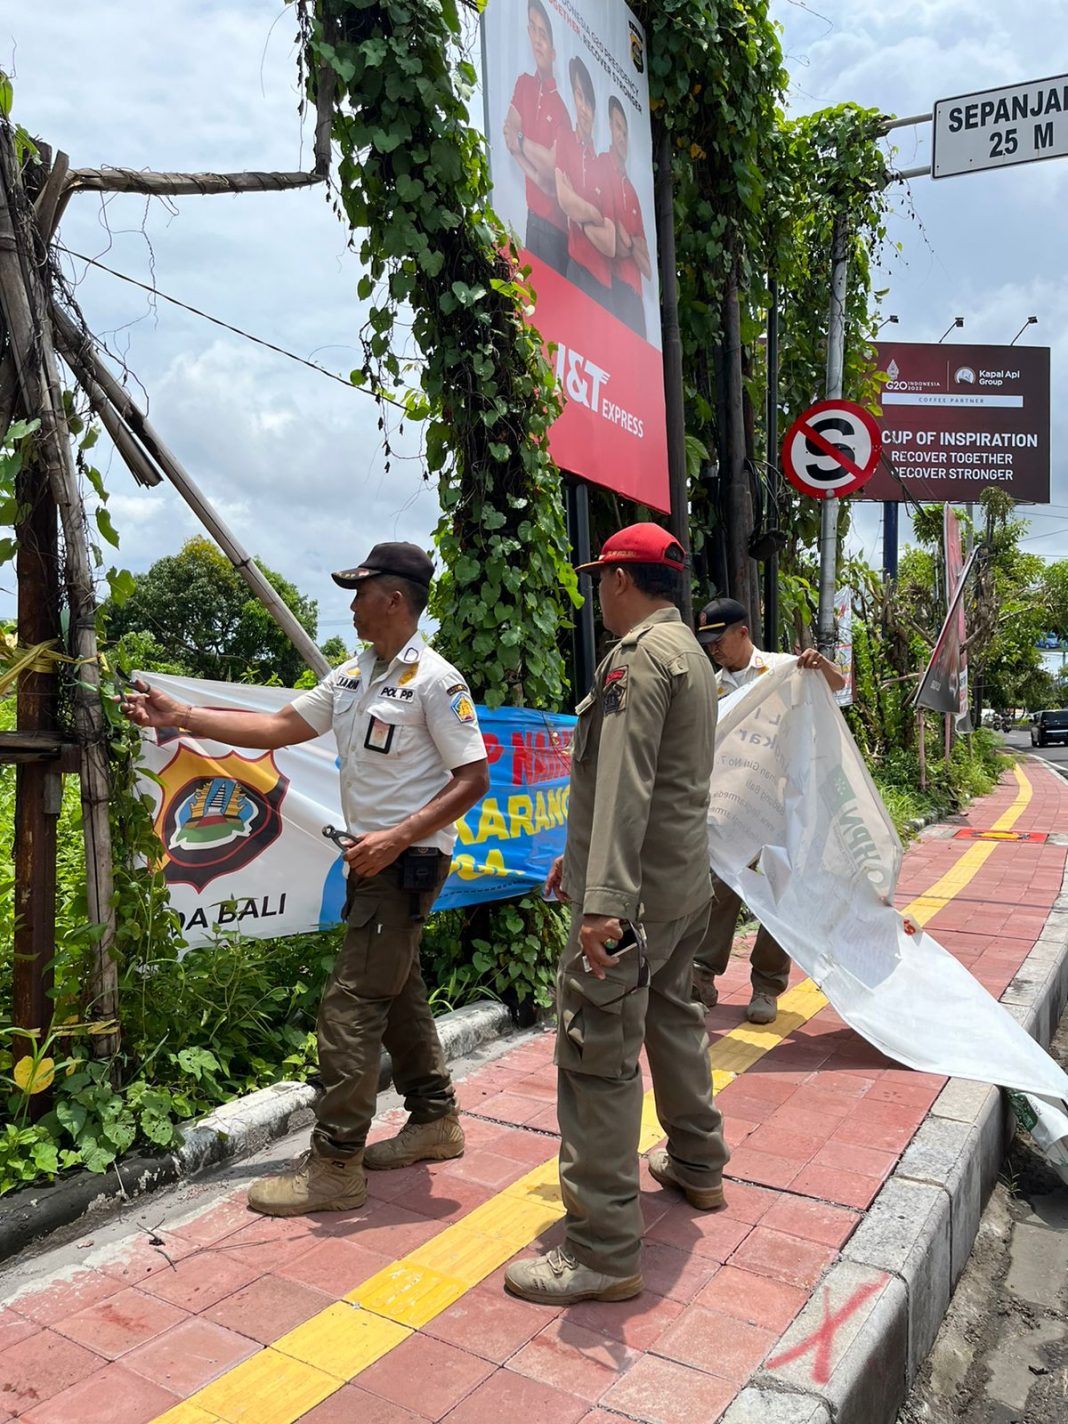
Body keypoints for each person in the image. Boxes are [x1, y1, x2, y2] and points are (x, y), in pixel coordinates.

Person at [121, 543, 489, 1216]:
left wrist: (398, 836)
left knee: (349, 1011)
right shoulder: (355, 675)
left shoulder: (437, 682)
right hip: (373, 862)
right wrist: (182, 718)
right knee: (397, 989)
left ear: (396, 600)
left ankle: (337, 1164)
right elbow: (277, 725)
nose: (351, 604)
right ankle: (436, 1119)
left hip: (402, 863)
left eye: (361, 591)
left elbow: (474, 779)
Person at [505, 524, 729, 1306]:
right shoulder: (692, 654)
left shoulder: (635, 659)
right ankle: (699, 1166)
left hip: (629, 901)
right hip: (678, 887)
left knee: (596, 1054)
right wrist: (583, 856)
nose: (597, 591)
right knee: (671, 1017)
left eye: (601, 578)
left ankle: (602, 1248)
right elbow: (646, 783)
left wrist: (601, 901)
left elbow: (629, 778)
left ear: (622, 582)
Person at [692, 596, 846, 1025]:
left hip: (779, 805)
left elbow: (837, 688)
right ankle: (702, 975)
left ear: (743, 632)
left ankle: (767, 985)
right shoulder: (711, 685)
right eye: (707, 641)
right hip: (728, 805)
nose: (713, 649)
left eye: (719, 639)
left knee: (778, 889)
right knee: (718, 885)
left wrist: (823, 667)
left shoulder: (785, 669)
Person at [503, 0, 571, 275]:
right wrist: (536, 169)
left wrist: (520, 143)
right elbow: (509, 136)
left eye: (544, 34)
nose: (537, 40)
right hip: (532, 220)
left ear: (554, 51)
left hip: (556, 230)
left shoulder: (562, 110)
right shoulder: (523, 84)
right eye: (534, 30)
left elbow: (552, 169)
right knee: (532, 307)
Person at [554, 56, 616, 312]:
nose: (583, 108)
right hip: (575, 270)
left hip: (603, 286)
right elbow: (564, 199)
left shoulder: (602, 166)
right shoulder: (565, 139)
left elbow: (610, 244)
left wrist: (579, 217)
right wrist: (593, 216)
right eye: (579, 96)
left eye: (588, 101)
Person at [603, 96, 651, 338]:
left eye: (624, 129)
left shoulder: (632, 190)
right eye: (616, 126)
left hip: (637, 299)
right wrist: (634, 247)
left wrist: (631, 243)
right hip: (614, 289)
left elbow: (648, 267)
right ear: (609, 129)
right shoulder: (601, 166)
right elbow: (614, 245)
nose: (621, 136)